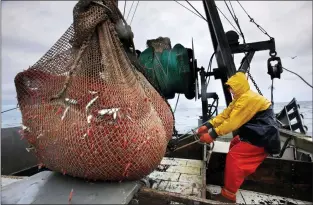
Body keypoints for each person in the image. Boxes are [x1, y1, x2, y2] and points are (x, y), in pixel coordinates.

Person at [197, 71, 281, 203]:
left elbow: (232, 122)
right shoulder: (240, 98)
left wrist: (212, 134)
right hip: (255, 132)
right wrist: (208, 125)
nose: (230, 90)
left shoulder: (248, 99)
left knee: (235, 156)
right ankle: (236, 177)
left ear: (239, 86)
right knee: (234, 142)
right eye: (230, 88)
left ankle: (228, 196)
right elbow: (226, 114)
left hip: (263, 137)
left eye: (232, 87)